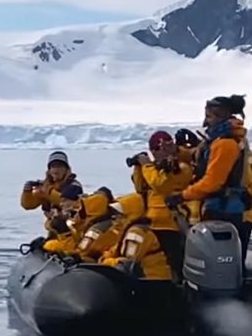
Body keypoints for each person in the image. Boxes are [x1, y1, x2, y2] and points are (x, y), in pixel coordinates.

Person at [166, 95, 251, 269]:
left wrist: (181, 196)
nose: (205, 121)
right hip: (221, 208)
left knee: (224, 265)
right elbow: (199, 155)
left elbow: (213, 182)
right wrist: (177, 151)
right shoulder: (218, 140)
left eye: (209, 116)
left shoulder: (226, 144)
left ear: (221, 116)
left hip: (226, 211)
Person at [130, 131, 194, 277]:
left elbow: (160, 185)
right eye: (156, 150)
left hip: (172, 223)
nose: (160, 153)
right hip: (152, 223)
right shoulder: (155, 169)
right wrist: (138, 167)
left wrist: (146, 166)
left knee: (174, 262)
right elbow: (141, 188)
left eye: (163, 148)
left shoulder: (181, 167)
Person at [21, 151, 82, 239]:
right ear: (49, 170)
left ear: (66, 169)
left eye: (60, 166)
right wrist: (27, 192)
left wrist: (48, 192)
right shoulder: (46, 186)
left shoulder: (74, 185)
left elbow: (65, 202)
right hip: (54, 230)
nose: (56, 170)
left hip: (73, 230)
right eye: (53, 166)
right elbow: (28, 205)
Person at [76, 193, 144, 263]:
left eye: (121, 215)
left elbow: (127, 263)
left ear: (132, 215)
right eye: (115, 213)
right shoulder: (116, 230)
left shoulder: (136, 233)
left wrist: (104, 261)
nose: (115, 217)